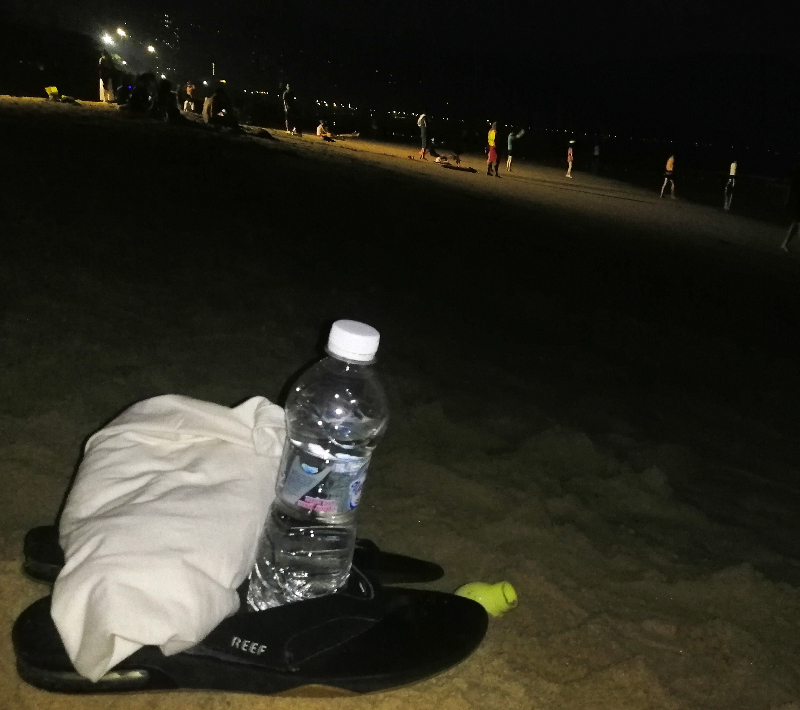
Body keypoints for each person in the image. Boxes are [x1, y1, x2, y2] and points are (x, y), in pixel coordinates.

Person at [780, 164, 800, 252]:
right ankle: (785, 243)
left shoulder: (796, 172)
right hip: (797, 201)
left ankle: (785, 243)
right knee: (797, 223)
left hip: (796, 200)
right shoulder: (797, 174)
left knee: (796, 223)